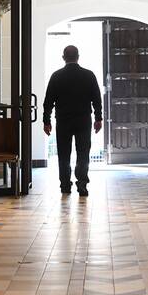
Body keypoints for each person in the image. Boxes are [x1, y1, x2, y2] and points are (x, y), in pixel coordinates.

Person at [43, 45, 102, 196]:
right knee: (83, 153)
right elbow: (96, 99)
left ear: (63, 58)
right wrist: (98, 118)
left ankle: (64, 185)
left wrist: (46, 121)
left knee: (63, 154)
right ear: (78, 56)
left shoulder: (56, 76)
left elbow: (48, 101)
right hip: (83, 120)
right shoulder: (89, 75)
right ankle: (82, 184)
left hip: (63, 120)